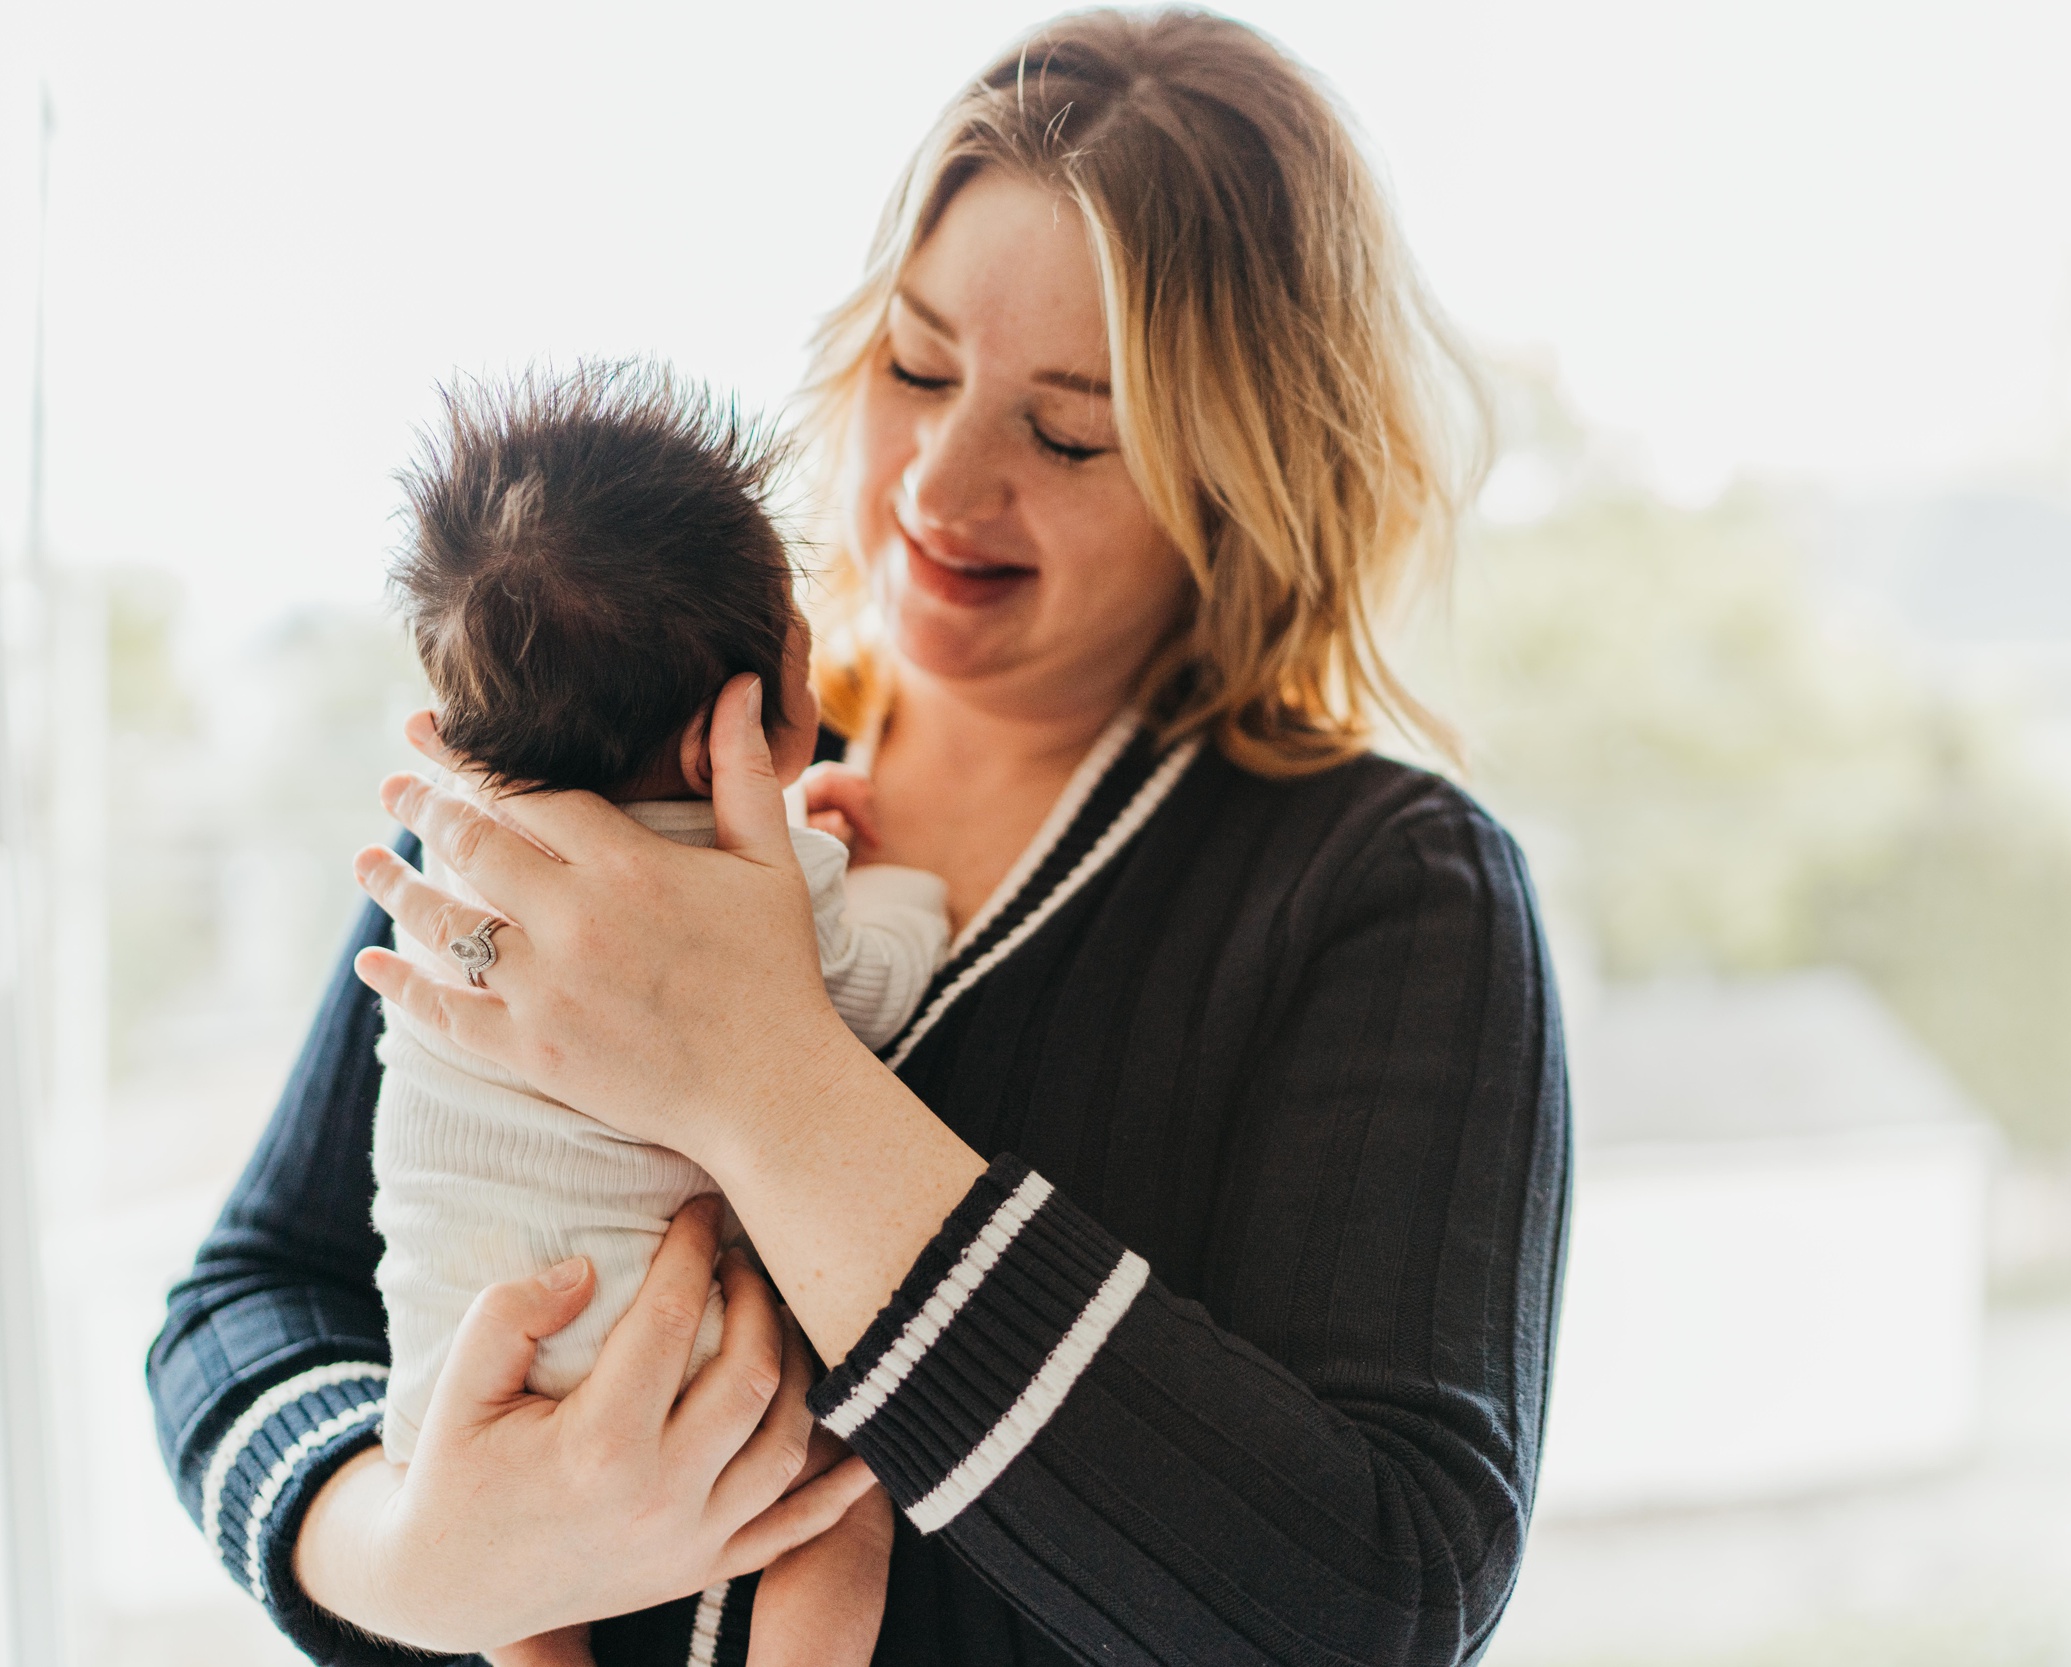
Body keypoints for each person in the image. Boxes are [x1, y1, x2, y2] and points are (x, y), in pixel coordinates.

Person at [146, 10, 1572, 1666]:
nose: (940, 484)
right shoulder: (630, 734)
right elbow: (249, 1292)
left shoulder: (1386, 889)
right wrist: (415, 1556)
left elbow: (1378, 1601)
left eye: (1069, 429)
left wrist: (759, 1075)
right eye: (915, 365)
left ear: (1250, 478)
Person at [370, 361, 945, 1667]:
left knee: (517, 1610)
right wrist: (898, 887)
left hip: (459, 1373)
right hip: (684, 1344)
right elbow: (863, 997)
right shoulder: (763, 890)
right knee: (844, 1491)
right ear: (757, 711)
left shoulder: (458, 876)